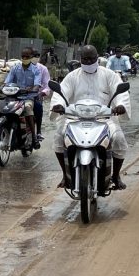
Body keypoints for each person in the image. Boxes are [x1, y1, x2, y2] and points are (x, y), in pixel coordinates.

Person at [50, 44, 129, 195]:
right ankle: (66, 176)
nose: (88, 62)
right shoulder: (72, 76)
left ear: (97, 58)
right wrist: (58, 105)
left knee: (118, 138)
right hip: (75, 117)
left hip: (105, 117)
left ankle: (116, 175)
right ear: (80, 59)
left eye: (91, 59)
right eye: (85, 59)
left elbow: (120, 93)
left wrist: (120, 105)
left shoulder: (109, 75)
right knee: (59, 137)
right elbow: (62, 92)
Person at [0, 48, 41, 151]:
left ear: (31, 57)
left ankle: (34, 137)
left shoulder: (36, 70)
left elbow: (37, 86)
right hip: (12, 97)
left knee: (28, 108)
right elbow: (7, 82)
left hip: (27, 97)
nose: (24, 58)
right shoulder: (15, 68)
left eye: (27, 57)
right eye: (23, 56)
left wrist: (31, 89)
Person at [30, 47, 51, 140]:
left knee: (38, 107)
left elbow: (47, 86)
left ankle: (38, 132)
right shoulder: (19, 67)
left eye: (37, 56)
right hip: (21, 95)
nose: (36, 57)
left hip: (36, 95)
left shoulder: (43, 69)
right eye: (33, 55)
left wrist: (41, 93)